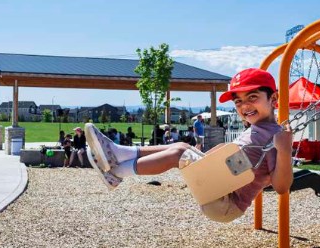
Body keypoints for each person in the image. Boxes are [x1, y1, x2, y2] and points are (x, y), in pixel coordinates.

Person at [85, 68, 293, 223]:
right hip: (219, 187)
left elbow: (281, 187)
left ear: (273, 98)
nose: (244, 106)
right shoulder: (256, 129)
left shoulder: (275, 136)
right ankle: (118, 154)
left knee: (179, 152)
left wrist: (284, 150)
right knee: (183, 146)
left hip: (228, 203)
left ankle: (118, 170)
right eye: (238, 102)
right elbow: (227, 157)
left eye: (253, 97)